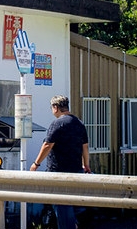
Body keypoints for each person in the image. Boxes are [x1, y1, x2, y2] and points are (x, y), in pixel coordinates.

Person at [29, 95, 91, 229]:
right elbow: (85, 147)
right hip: (76, 171)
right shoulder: (79, 123)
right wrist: (86, 165)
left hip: (58, 172)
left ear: (55, 107)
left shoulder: (57, 123)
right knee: (75, 206)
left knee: (62, 207)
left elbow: (47, 145)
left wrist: (36, 164)